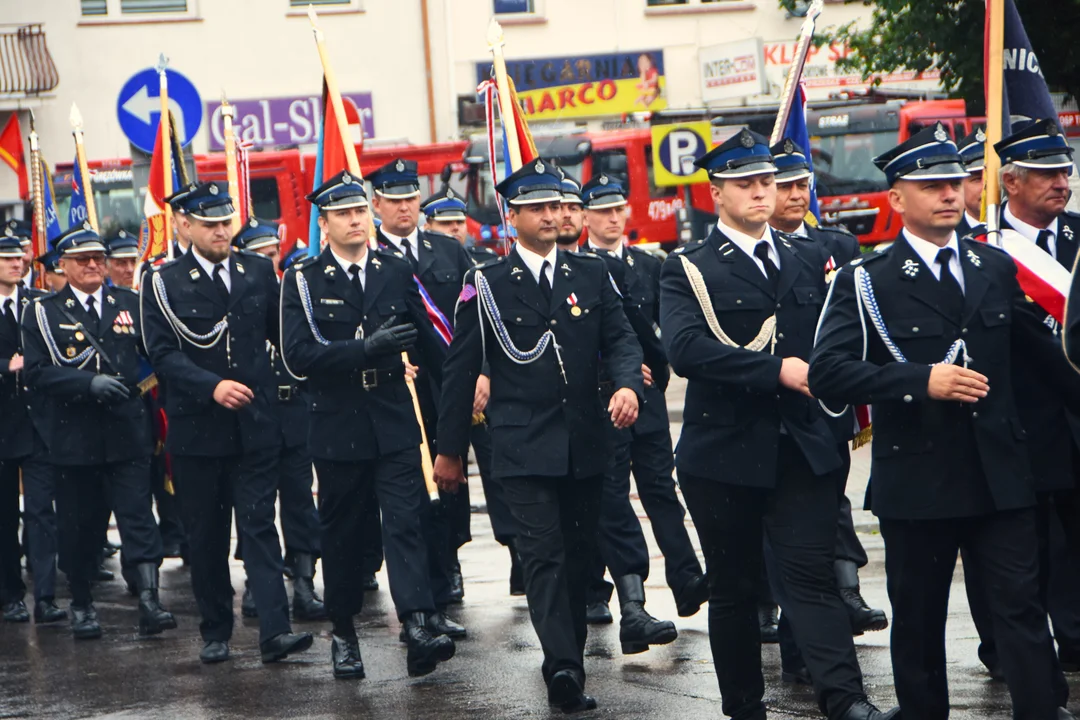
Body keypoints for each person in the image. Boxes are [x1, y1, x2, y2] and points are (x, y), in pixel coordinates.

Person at [809, 122, 1075, 720]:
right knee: (921, 619)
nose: (951, 194)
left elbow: (1044, 360)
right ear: (897, 199)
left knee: (1020, 610)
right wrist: (916, 381)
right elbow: (828, 372)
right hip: (920, 480)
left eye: (956, 181)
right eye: (932, 185)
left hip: (1001, 474)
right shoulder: (866, 280)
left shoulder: (994, 266)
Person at [660, 128, 893, 720]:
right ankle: (744, 705)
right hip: (725, 450)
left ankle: (846, 701)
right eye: (747, 184)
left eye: (768, 181)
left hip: (804, 446)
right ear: (718, 193)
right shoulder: (689, 267)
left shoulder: (811, 257)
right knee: (735, 590)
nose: (762, 193)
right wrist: (775, 370)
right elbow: (686, 349)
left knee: (811, 579)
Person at [434, 158, 643, 714]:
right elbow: (460, 369)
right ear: (513, 217)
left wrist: (628, 387)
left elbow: (622, 340)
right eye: (540, 208)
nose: (554, 216)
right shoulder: (486, 283)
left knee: (578, 557)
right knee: (543, 556)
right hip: (522, 447)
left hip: (585, 443)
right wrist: (449, 450)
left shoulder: (591, 275)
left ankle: (563, 658)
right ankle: (566, 670)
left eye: (558, 206)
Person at [280, 170, 456, 679]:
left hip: (394, 420)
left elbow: (431, 338)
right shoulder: (305, 280)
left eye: (360, 211)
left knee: (406, 523)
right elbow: (299, 355)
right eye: (343, 214)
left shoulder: (392, 268)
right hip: (338, 427)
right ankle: (343, 631)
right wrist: (365, 349)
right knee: (345, 537)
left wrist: (465, 387)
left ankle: (418, 623)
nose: (356, 221)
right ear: (325, 223)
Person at [141, 182, 313, 665]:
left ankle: (275, 632)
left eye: (225, 221)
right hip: (198, 430)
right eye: (210, 223)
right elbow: (161, 354)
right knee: (208, 535)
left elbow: (284, 337)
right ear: (185, 225)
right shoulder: (163, 281)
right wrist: (211, 386)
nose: (221, 230)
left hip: (257, 426)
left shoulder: (258, 271)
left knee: (260, 527)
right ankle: (216, 629)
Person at [21, 223, 174, 640]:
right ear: (63, 265)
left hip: (127, 432)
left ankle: (149, 600)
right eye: (82, 260)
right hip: (75, 436)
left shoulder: (130, 303)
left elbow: (154, 357)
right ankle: (83, 603)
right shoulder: (43, 312)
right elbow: (36, 374)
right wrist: (87, 384)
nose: (93, 265)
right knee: (80, 525)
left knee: (138, 518)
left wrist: (137, 389)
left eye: (98, 259)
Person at [576, 173, 708, 649]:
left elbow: (666, 327)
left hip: (648, 400)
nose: (613, 218)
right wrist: (620, 372)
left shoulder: (648, 265)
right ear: (585, 216)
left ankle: (688, 577)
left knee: (660, 488)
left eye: (618, 209)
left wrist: (654, 367)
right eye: (603, 211)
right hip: (602, 400)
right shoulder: (578, 268)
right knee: (611, 498)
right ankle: (629, 596)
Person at [766, 138, 887, 647]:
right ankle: (775, 606)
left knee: (831, 502)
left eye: (803, 183)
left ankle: (847, 589)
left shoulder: (836, 246)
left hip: (828, 396)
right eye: (786, 185)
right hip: (774, 398)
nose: (798, 194)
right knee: (775, 519)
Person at [371, 158, 472, 606]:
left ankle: (449, 561)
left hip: (448, 383)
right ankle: (420, 580)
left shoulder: (447, 249)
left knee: (451, 477)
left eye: (411, 198)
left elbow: (472, 315)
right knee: (409, 486)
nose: (404, 208)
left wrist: (480, 371)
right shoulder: (370, 256)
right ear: (377, 205)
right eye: (394, 201)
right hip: (399, 386)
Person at [420, 185, 521, 594]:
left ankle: (519, 555)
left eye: (459, 223)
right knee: (449, 478)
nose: (455, 231)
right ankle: (451, 562)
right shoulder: (416, 265)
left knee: (502, 472)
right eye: (445, 224)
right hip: (437, 388)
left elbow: (497, 327)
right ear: (429, 226)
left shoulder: (483, 267)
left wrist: (484, 375)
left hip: (482, 389)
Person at [230, 218, 325, 623]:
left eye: (272, 255)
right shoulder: (240, 302)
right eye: (260, 256)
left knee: (301, 500)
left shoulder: (294, 297)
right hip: (257, 414)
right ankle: (257, 580)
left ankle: (304, 581)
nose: (269, 263)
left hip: (296, 412)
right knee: (256, 503)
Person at [956, 127, 988, 238]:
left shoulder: (1020, 229)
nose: (986, 186)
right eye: (977, 179)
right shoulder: (948, 236)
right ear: (959, 186)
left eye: (992, 177)